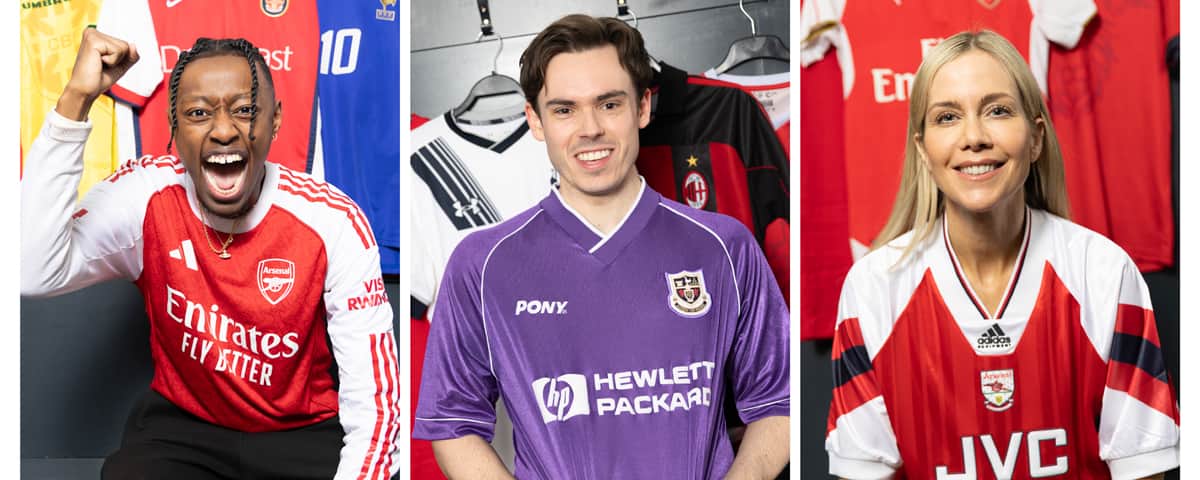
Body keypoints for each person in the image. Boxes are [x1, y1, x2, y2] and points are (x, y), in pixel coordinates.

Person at [413, 14, 790, 479]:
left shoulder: (725, 248)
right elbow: (452, 424)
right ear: (535, 120)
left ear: (643, 108)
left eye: (609, 104)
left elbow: (780, 402)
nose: (589, 128)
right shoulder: (482, 264)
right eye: (564, 109)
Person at [21, 29, 400, 479]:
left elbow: (375, 403)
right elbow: (30, 271)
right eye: (199, 113)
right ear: (175, 127)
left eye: (244, 111)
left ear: (274, 122)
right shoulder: (145, 195)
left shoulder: (332, 221)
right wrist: (76, 99)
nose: (223, 131)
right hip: (185, 429)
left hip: (301, 435)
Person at [825, 30, 1179, 480]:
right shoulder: (873, 287)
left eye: (997, 110)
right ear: (922, 150)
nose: (974, 137)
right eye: (947, 117)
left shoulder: (1104, 272)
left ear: (1035, 138)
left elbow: (1142, 470)